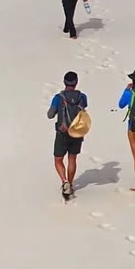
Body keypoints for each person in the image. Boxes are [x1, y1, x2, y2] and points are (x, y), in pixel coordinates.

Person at [47, 71, 89, 200]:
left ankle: (64, 181)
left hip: (62, 132)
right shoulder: (82, 97)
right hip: (76, 132)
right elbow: (84, 108)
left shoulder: (58, 98)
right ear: (76, 82)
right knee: (72, 159)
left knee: (58, 159)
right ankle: (70, 183)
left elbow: (50, 115)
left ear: (64, 82)